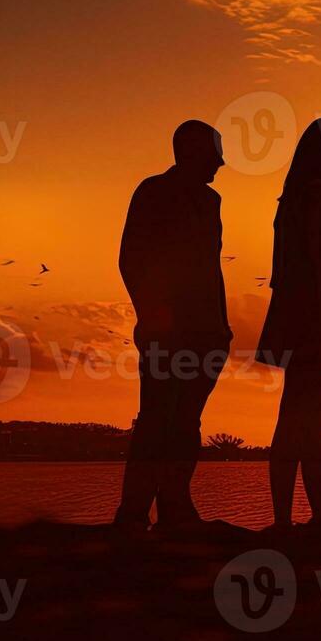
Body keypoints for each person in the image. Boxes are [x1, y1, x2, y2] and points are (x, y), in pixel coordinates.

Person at [114, 120, 231, 530]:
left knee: (186, 422)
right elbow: (131, 258)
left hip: (207, 331)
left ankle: (175, 505)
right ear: (191, 152)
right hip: (167, 332)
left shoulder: (212, 202)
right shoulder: (153, 192)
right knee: (155, 420)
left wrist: (222, 323)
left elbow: (212, 268)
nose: (221, 160)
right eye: (215, 151)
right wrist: (153, 316)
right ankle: (132, 513)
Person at [256, 118, 321, 533]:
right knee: (310, 417)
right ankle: (317, 519)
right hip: (311, 308)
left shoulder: (296, 194)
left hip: (300, 307)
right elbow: (317, 257)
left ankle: (302, 517)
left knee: (299, 414)